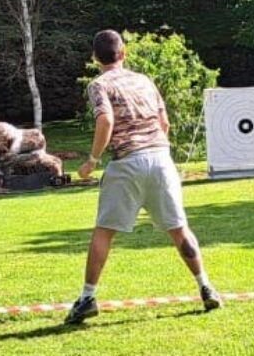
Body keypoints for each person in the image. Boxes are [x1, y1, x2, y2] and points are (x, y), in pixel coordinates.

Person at [65, 30, 223, 325]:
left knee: (104, 231)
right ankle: (205, 286)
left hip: (127, 162)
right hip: (161, 159)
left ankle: (87, 298)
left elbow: (106, 119)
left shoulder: (99, 85)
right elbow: (164, 122)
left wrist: (92, 160)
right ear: (123, 52)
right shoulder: (144, 80)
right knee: (179, 229)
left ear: (95, 58)